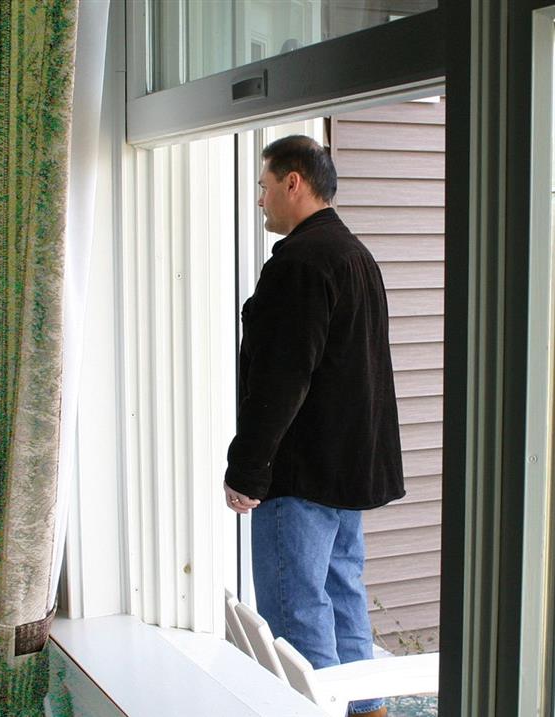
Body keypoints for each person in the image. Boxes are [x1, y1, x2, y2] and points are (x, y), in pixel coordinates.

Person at [224, 135, 404, 717]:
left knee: (297, 615)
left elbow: (279, 379)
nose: (261, 200)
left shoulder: (300, 264)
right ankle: (368, 711)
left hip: (300, 476)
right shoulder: (354, 254)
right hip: (345, 473)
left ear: (293, 182)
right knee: (343, 598)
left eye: (264, 185)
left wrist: (247, 470)